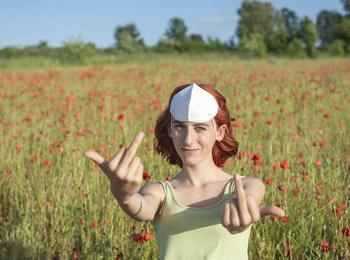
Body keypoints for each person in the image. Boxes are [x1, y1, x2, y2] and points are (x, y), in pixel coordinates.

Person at [84, 83, 285, 260]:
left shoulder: (245, 186)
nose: (188, 139)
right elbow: (141, 208)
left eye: (200, 128)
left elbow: (248, 199)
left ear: (220, 132)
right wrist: (124, 195)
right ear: (170, 130)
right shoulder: (159, 192)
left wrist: (241, 219)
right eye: (180, 126)